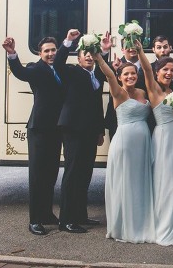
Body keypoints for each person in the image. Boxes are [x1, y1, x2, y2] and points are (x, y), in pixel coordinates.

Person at [3, 35, 65, 236]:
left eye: (53, 50)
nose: (50, 53)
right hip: (38, 129)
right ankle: (35, 220)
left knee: (51, 174)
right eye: (46, 51)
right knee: (37, 176)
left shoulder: (59, 69)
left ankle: (47, 214)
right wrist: (12, 54)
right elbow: (20, 73)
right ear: (40, 53)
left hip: (55, 129)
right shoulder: (36, 69)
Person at [96, 48, 155, 243]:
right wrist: (98, 55)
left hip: (143, 143)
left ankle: (141, 222)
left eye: (132, 73)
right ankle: (124, 225)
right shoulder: (118, 92)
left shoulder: (143, 91)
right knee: (125, 181)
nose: (130, 76)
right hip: (125, 143)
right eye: (126, 74)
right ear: (120, 77)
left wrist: (139, 51)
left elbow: (148, 71)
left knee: (140, 182)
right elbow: (108, 73)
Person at [53, 29, 110, 233]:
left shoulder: (97, 76)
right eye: (84, 54)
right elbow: (57, 64)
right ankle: (66, 219)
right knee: (72, 173)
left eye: (90, 54)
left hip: (89, 131)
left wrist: (100, 131)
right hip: (73, 130)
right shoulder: (71, 72)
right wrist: (68, 40)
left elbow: (97, 105)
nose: (88, 56)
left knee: (85, 174)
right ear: (78, 59)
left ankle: (80, 215)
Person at [137, 40, 173, 246]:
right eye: (165, 70)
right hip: (164, 140)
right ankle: (165, 227)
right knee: (166, 182)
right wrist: (141, 50)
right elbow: (145, 69)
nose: (169, 73)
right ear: (157, 72)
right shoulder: (155, 91)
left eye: (172, 70)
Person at [104, 43, 146, 139]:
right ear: (122, 49)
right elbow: (103, 75)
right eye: (128, 46)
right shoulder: (112, 65)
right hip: (117, 122)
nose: (132, 48)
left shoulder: (147, 67)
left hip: (142, 126)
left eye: (134, 45)